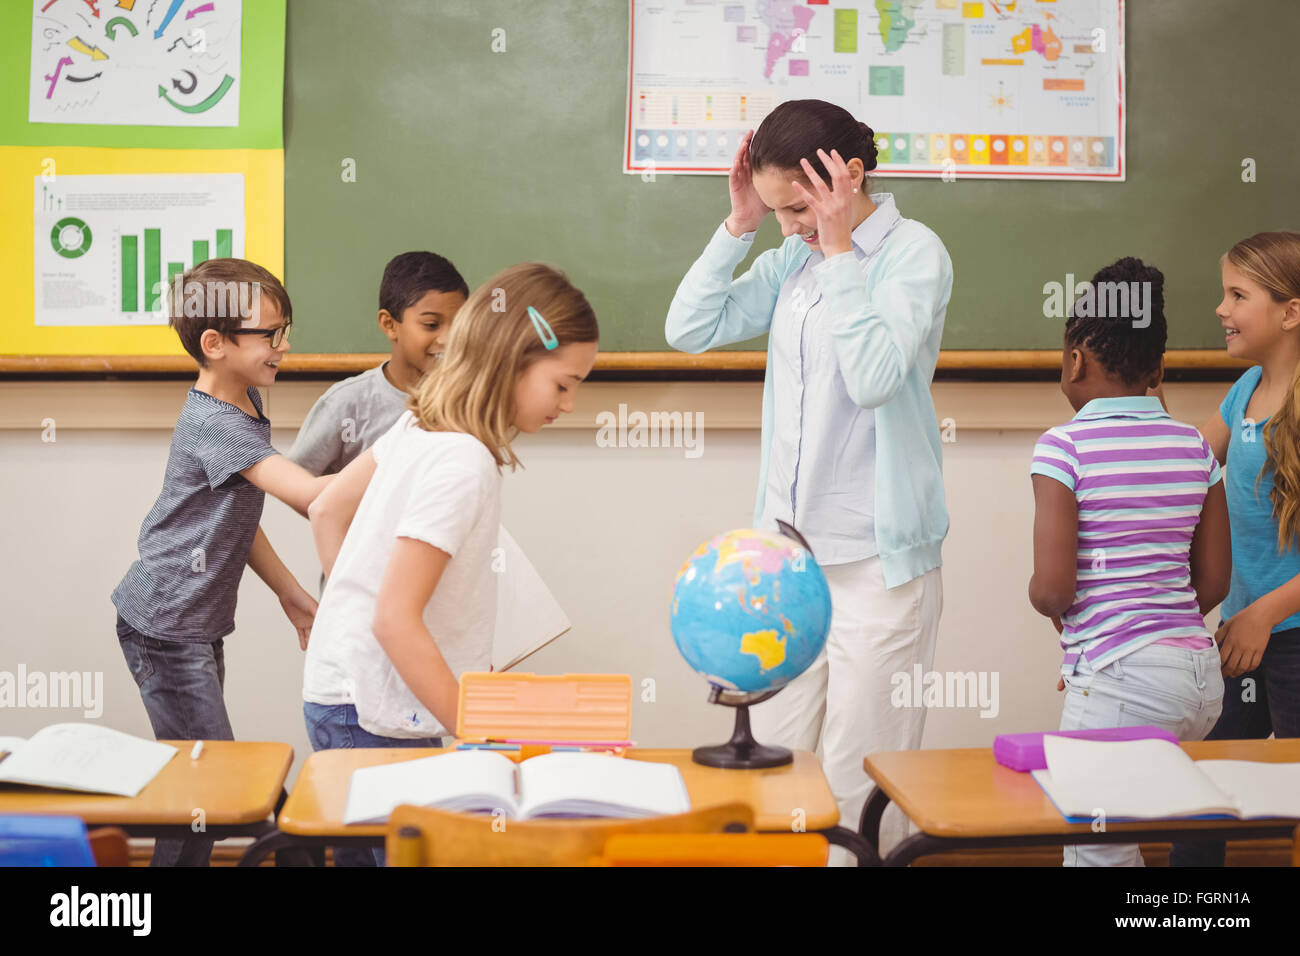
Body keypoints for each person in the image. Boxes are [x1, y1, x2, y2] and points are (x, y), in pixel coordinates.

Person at [664, 99, 952, 856]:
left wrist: (839, 252)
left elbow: (874, 377)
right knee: (781, 771)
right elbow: (689, 330)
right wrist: (739, 227)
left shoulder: (913, 254)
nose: (788, 224)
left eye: (795, 206)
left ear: (848, 177)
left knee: (860, 784)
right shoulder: (791, 254)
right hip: (789, 565)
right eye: (775, 209)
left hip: (877, 568)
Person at [302, 262, 598, 865]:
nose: (569, 404)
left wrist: (345, 620)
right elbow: (395, 620)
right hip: (372, 711)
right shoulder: (463, 461)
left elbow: (327, 508)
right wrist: (481, 734)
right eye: (564, 384)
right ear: (512, 361)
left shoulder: (421, 422)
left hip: (362, 695)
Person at [111, 257, 330, 866]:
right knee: (210, 794)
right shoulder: (218, 423)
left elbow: (237, 517)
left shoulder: (247, 404)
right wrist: (413, 433)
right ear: (215, 344)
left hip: (192, 623)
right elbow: (312, 497)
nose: (283, 345)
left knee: (201, 792)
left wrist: (290, 594)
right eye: (269, 334)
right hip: (164, 625)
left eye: (285, 329)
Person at [1029, 258, 1230, 866]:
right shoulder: (1193, 444)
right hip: (1200, 683)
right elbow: (1215, 579)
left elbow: (1053, 590)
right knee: (1149, 826)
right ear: (1159, 369)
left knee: (1097, 852)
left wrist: (1095, 637)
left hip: (1124, 685)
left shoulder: (1064, 446)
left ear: (1073, 361)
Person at [1165, 232, 1300, 867]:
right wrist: (1140, 403)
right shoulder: (1246, 388)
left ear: (1289, 312)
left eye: (1237, 295)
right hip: (1244, 631)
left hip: (1280, 628)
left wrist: (1265, 614)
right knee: (1200, 788)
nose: (1220, 309)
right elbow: (1189, 463)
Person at [288, 251, 469, 476]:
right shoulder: (346, 404)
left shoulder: (469, 399)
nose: (448, 339)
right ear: (389, 324)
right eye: (431, 325)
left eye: (459, 324)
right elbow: (296, 481)